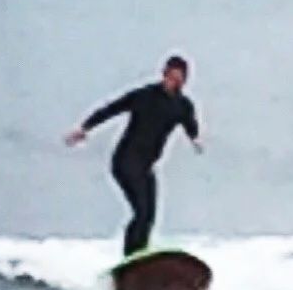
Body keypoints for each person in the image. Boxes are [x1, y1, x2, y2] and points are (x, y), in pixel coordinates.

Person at [65, 55, 203, 256]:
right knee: (141, 211)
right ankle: (130, 257)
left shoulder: (183, 106)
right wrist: (85, 128)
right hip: (124, 162)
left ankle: (140, 257)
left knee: (149, 216)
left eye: (178, 78)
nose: (173, 81)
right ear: (163, 74)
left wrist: (195, 139)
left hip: (146, 166)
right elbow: (112, 109)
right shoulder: (145, 96)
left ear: (184, 80)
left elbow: (190, 124)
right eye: (170, 76)